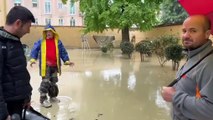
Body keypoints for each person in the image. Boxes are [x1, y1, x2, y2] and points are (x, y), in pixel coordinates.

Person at [161, 15, 213, 120]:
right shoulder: (195, 55)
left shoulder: (209, 64)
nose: (186, 35)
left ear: (207, 34)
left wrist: (175, 97)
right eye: (184, 31)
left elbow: (210, 110)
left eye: (193, 31)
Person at [0, 6, 35, 120]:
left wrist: (26, 97)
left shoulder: (15, 42)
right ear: (18, 23)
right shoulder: (2, 45)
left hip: (18, 105)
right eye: (28, 26)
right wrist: (3, 115)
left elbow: (20, 72)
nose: (29, 31)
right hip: (7, 109)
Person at [30, 24, 74, 108]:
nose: (48, 33)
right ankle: (43, 99)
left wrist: (67, 61)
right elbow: (35, 49)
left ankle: (52, 97)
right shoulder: (41, 41)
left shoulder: (58, 42)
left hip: (54, 66)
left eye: (50, 31)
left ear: (54, 32)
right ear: (45, 33)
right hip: (45, 66)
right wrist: (33, 59)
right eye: (47, 32)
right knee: (45, 82)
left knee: (53, 82)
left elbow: (63, 52)